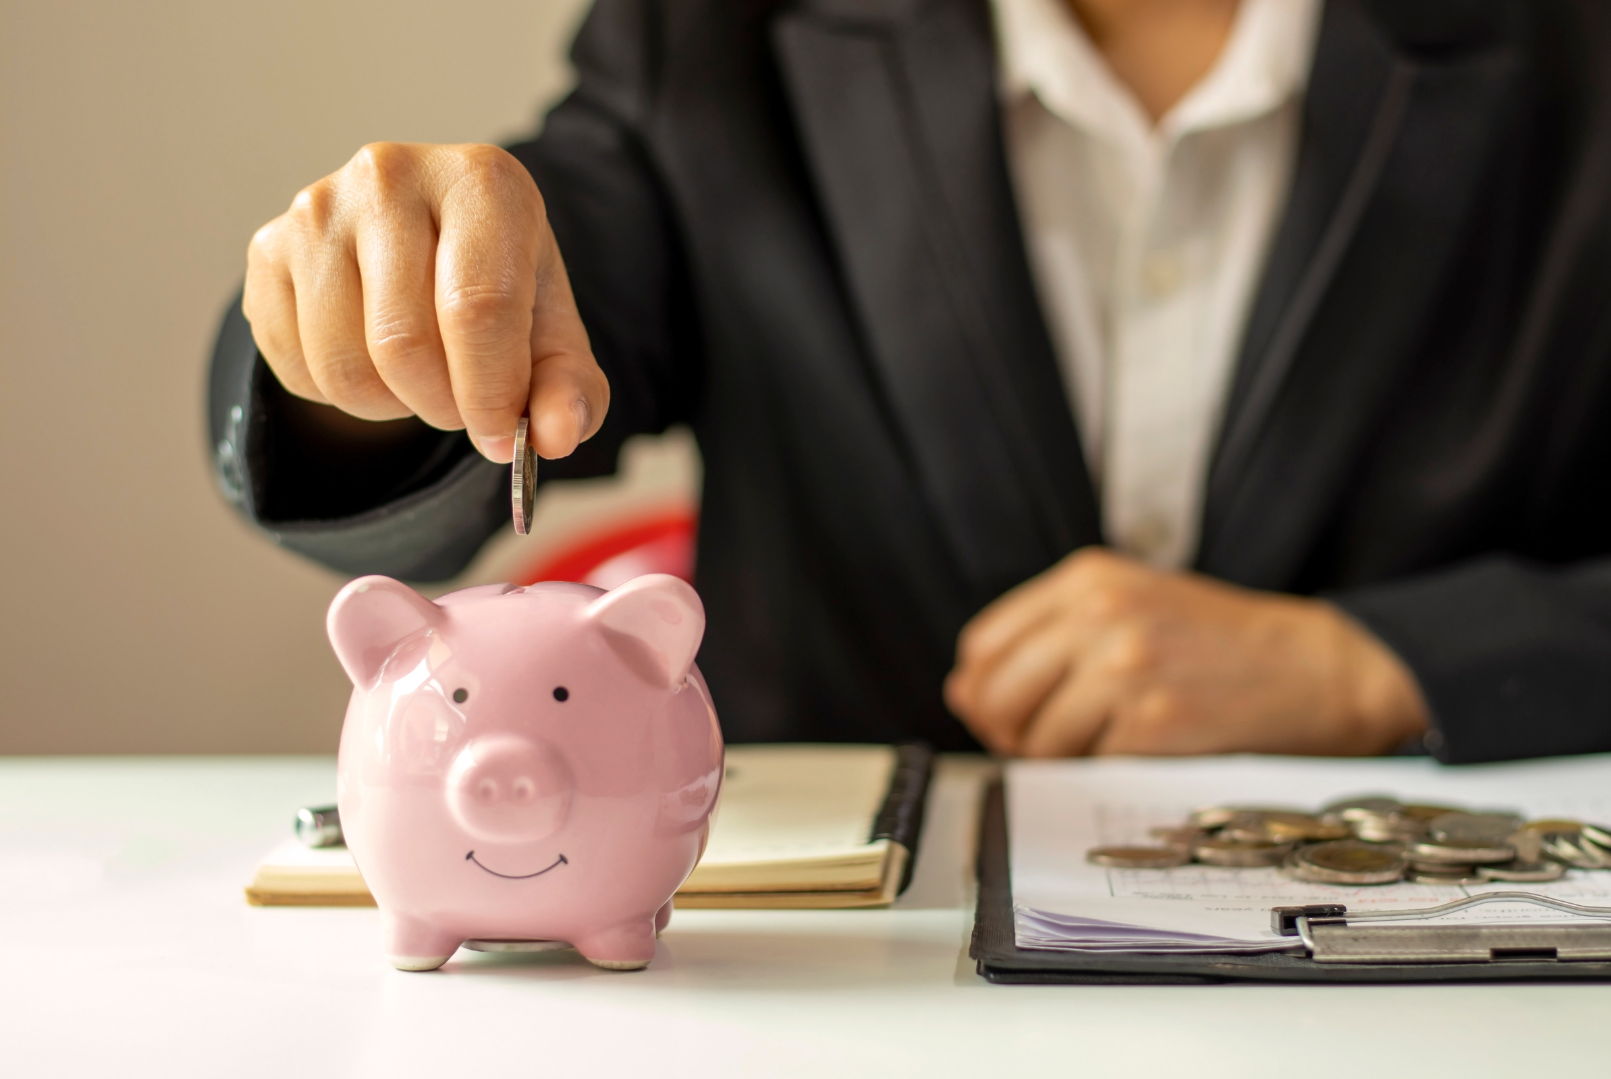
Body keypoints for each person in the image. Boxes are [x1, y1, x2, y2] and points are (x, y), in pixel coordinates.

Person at [209, 0, 1611, 763]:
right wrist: (369, 332)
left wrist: (1370, 663)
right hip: (846, 987)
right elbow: (499, 339)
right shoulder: (714, 36)